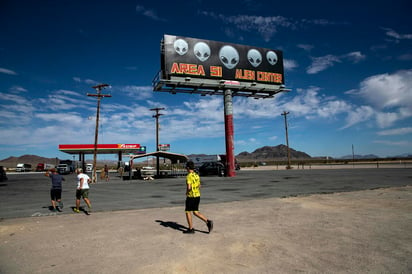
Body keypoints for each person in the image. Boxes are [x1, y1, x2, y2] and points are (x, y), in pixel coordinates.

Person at [183, 161, 213, 234]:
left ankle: (191, 229)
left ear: (187, 168)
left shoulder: (189, 176)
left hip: (191, 196)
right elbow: (200, 186)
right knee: (195, 212)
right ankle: (208, 221)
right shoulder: (197, 175)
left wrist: (187, 192)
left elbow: (189, 187)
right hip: (197, 195)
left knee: (187, 212)